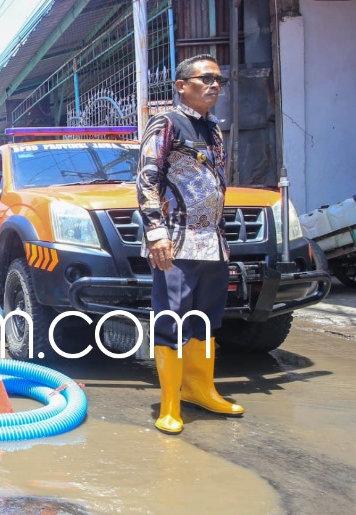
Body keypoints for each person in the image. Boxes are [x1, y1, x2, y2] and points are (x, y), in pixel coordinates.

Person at [137, 54, 244, 434]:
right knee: (172, 319)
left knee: (206, 318)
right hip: (176, 241)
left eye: (219, 79)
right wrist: (155, 232)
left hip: (211, 242)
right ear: (182, 86)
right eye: (205, 79)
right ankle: (169, 402)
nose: (214, 85)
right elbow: (147, 178)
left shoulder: (214, 128)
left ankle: (201, 388)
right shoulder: (166, 123)